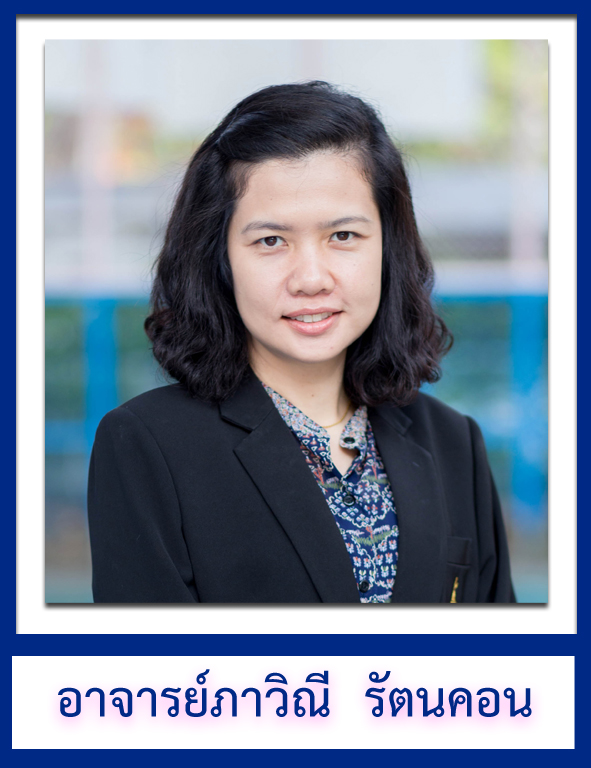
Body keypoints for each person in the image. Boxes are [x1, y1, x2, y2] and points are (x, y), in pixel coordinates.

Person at [87, 81, 515, 604]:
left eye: (343, 236)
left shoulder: (454, 442)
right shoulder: (147, 445)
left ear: (389, 248)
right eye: (271, 241)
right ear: (219, 259)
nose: (311, 279)